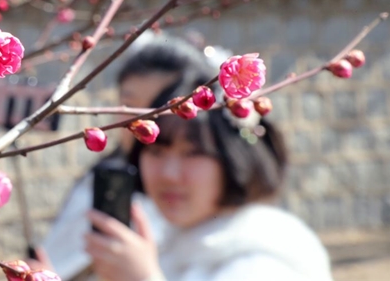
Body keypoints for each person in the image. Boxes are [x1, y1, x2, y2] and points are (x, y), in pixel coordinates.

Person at [83, 43, 333, 281]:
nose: (169, 174)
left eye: (193, 154)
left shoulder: (266, 256)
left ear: (233, 159)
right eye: (157, 152)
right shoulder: (169, 244)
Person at [39, 33, 217, 280]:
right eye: (129, 106)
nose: (138, 121)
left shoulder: (183, 194)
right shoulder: (98, 180)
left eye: (157, 109)